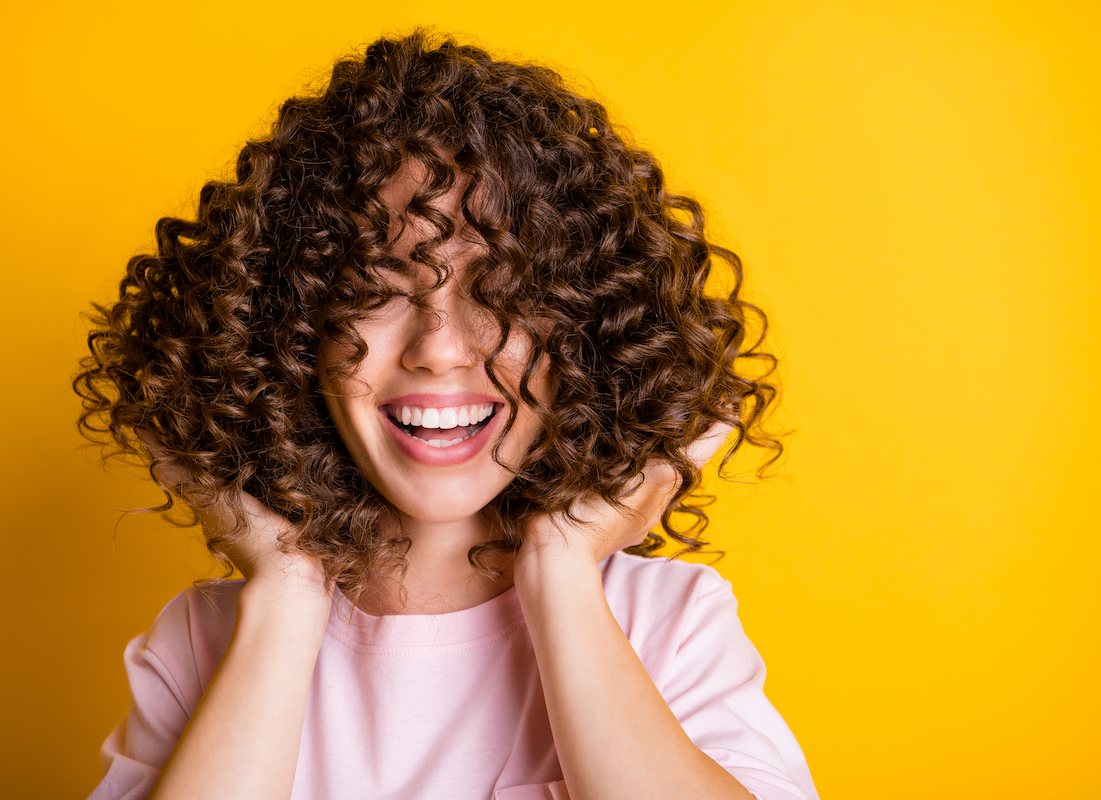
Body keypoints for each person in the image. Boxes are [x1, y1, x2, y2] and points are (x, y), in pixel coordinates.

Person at [76, 31, 819, 800]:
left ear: (584, 332)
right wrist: (289, 595)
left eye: (503, 293)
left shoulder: (668, 626)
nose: (440, 349)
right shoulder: (204, 645)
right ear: (297, 329)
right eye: (381, 287)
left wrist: (559, 572)